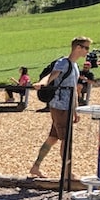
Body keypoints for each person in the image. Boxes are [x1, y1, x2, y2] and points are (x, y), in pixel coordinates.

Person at [28, 36, 91, 179]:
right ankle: (67, 172)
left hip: (66, 107)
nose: (87, 51)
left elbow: (74, 90)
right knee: (66, 140)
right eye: (86, 48)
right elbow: (52, 75)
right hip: (60, 106)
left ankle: (35, 167)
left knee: (53, 138)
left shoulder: (75, 66)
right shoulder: (63, 63)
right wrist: (42, 83)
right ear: (78, 47)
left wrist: (75, 110)